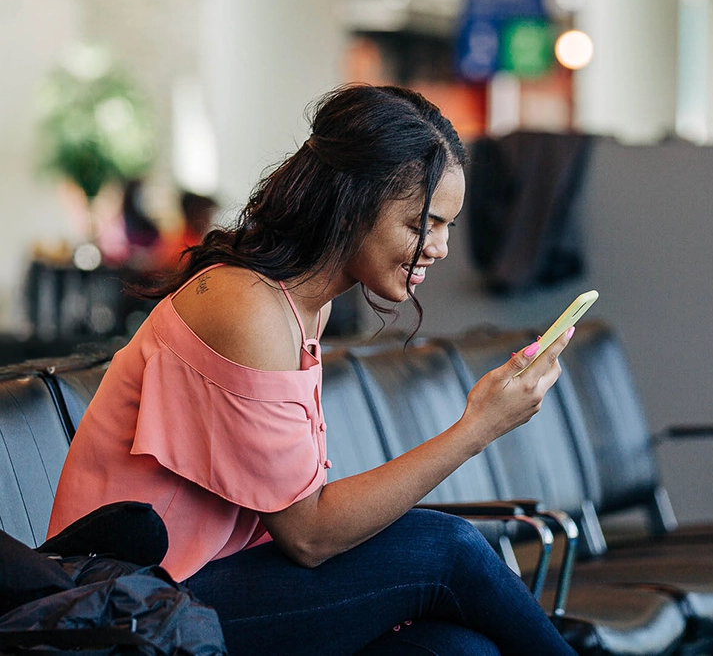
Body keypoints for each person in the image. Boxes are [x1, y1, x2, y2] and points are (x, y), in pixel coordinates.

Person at [47, 84, 578, 655]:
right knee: (448, 547)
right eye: (424, 223)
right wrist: (478, 427)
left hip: (208, 584)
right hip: (128, 607)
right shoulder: (246, 305)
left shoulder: (303, 305)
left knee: (457, 649)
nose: (440, 248)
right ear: (354, 204)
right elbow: (309, 534)